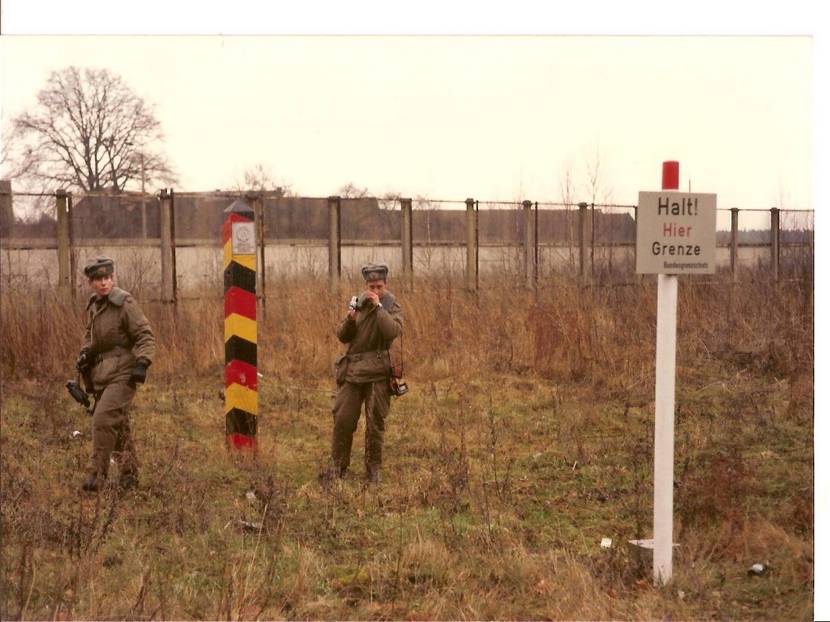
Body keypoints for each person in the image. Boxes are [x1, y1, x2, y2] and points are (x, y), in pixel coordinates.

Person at [75, 256, 155, 492]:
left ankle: (95, 475)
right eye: (98, 279)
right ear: (90, 282)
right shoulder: (96, 307)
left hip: (124, 373)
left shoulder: (124, 303)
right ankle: (130, 474)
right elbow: (91, 338)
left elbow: (145, 335)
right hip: (102, 374)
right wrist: (84, 354)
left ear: (113, 278)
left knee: (102, 419)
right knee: (118, 426)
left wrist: (143, 362)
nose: (104, 283)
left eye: (107, 277)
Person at [330, 262, 403, 483]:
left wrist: (379, 307)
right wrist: (350, 319)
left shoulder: (391, 304)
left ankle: (373, 470)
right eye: (372, 286)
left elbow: (392, 331)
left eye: (379, 286)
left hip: (378, 372)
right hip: (353, 371)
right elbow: (343, 336)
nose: (375, 290)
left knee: (375, 422)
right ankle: (338, 467)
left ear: (386, 285)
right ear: (366, 285)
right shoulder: (357, 302)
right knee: (343, 419)